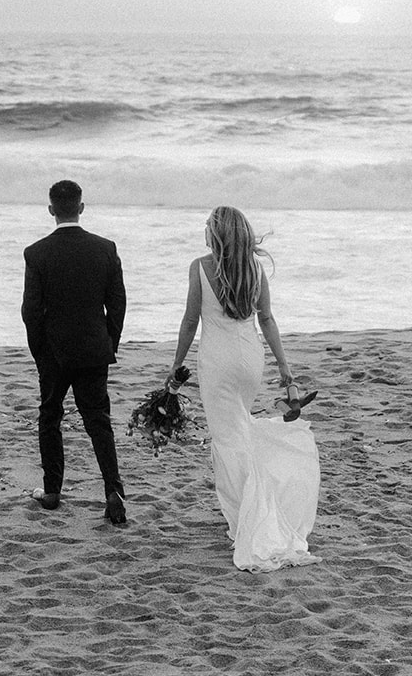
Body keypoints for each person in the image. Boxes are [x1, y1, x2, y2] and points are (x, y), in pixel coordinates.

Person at [169, 205, 319, 570]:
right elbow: (266, 318)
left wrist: (175, 366)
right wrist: (284, 367)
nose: (205, 230)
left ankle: (244, 520)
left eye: (208, 226)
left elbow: (191, 320)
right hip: (250, 359)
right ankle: (250, 508)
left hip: (217, 362)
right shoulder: (255, 269)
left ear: (216, 234)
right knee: (241, 429)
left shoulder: (199, 268)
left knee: (227, 439)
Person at [21, 179, 128, 524]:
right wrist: (109, 341)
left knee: (50, 417)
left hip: (54, 352)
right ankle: (113, 489)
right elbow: (118, 303)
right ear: (81, 208)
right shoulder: (105, 248)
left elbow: (30, 310)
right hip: (94, 348)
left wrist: (39, 351)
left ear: (51, 209)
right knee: (98, 421)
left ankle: (52, 491)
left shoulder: (36, 253)